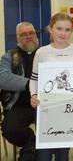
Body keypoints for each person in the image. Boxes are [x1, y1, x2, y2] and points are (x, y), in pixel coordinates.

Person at [30, 13, 73, 161]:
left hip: (69, 107)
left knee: (63, 152)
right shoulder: (41, 52)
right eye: (59, 28)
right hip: (46, 107)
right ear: (50, 29)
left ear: (72, 31)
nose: (63, 33)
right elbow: (34, 79)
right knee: (44, 153)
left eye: (67, 29)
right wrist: (33, 95)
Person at [0, 22, 38, 160]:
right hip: (19, 105)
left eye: (31, 33)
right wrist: (31, 83)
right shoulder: (9, 57)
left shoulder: (45, 53)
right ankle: (31, 143)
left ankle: (33, 152)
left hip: (43, 104)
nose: (28, 37)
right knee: (10, 130)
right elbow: (3, 78)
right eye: (24, 34)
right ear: (17, 37)